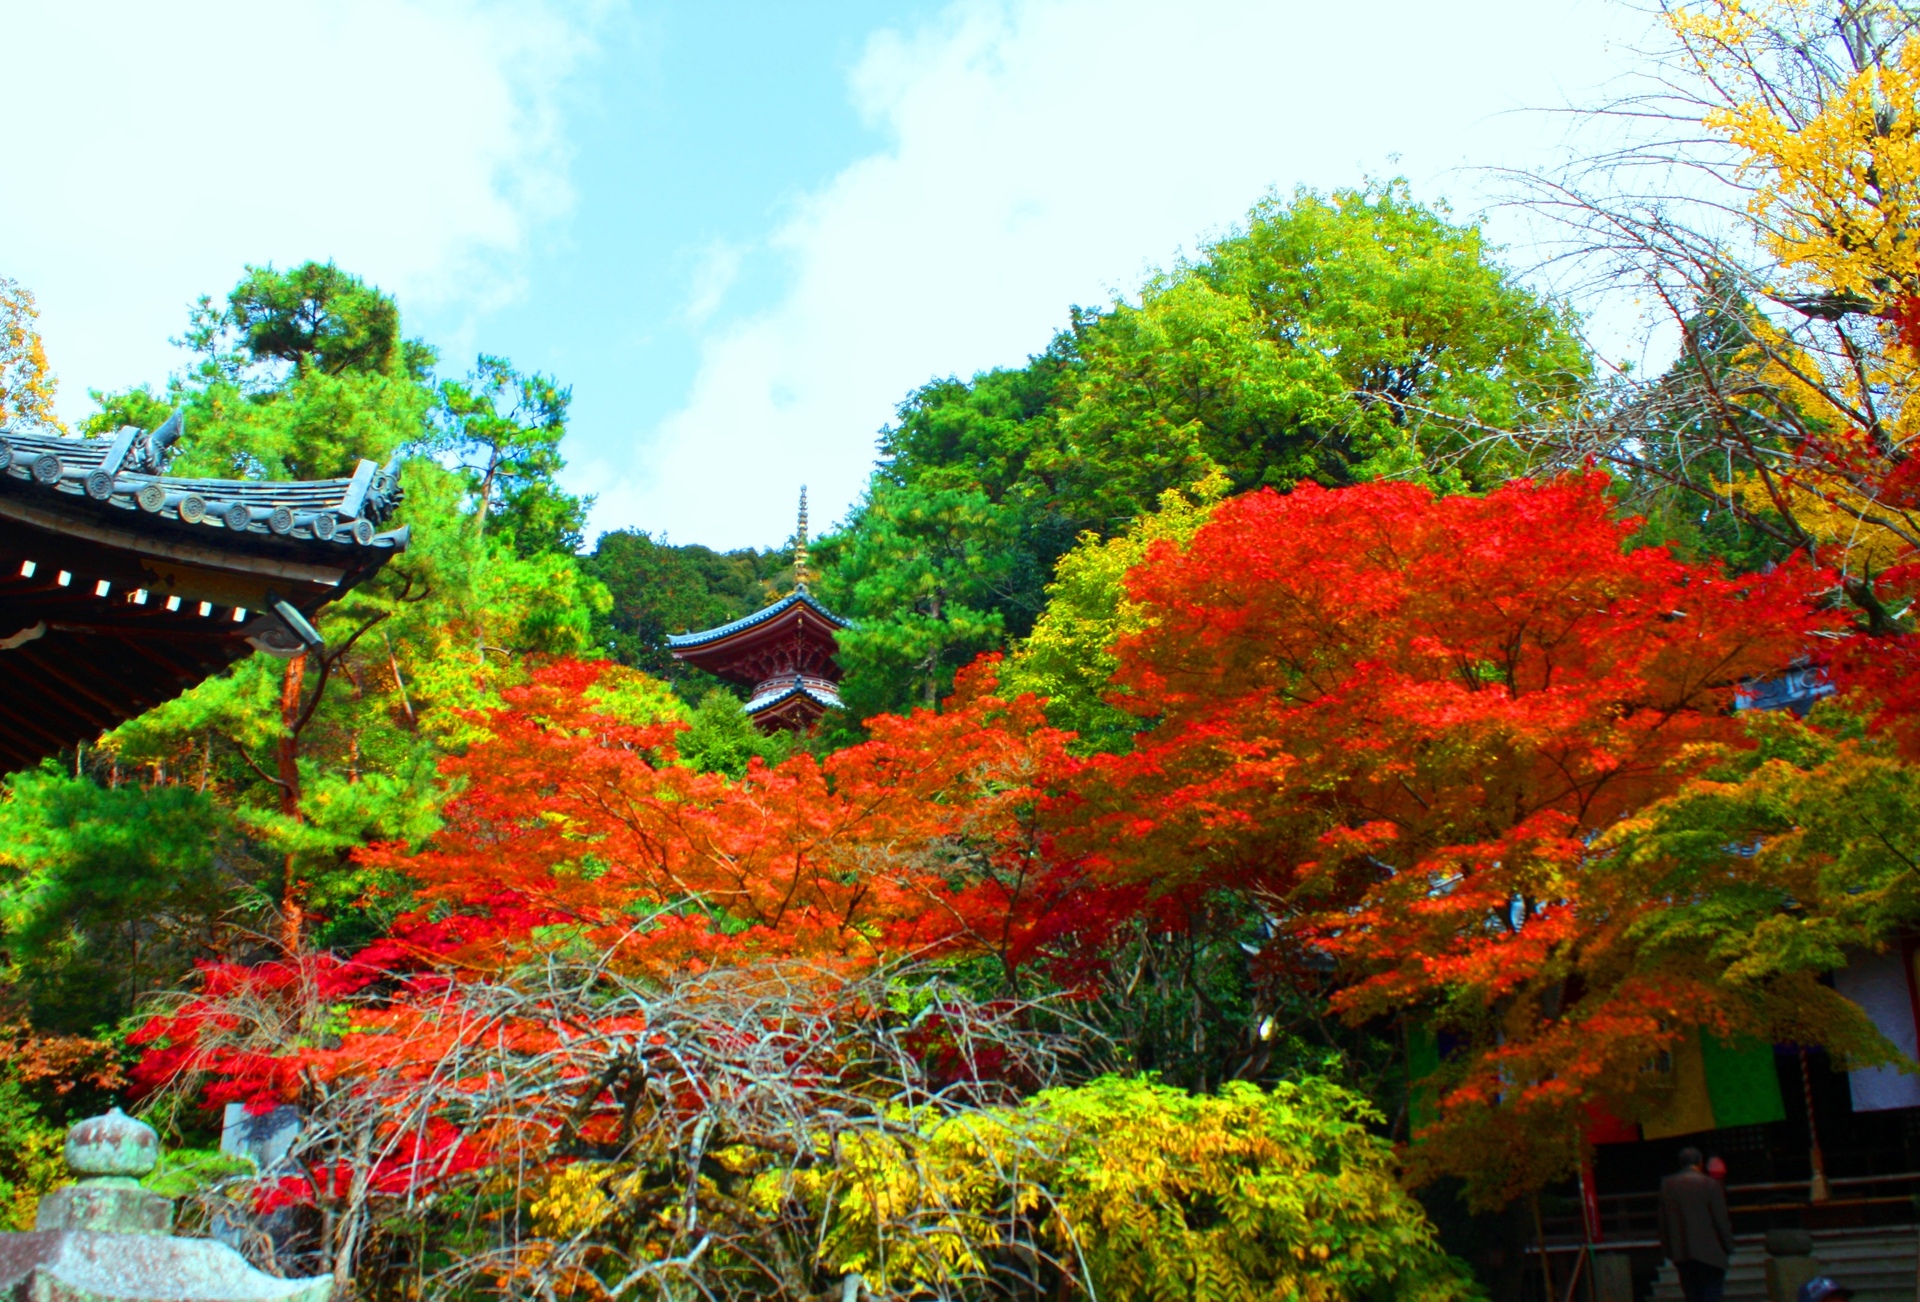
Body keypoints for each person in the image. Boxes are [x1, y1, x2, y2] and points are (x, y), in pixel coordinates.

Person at [1659, 1147, 1735, 1302]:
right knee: (1711, 1291)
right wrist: (1728, 1246)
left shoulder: (1667, 1185)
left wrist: (1668, 1250)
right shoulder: (1710, 1184)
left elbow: (1663, 1221)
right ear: (1700, 1163)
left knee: (1692, 1294)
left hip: (1682, 1250)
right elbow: (1721, 1219)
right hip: (1710, 1250)